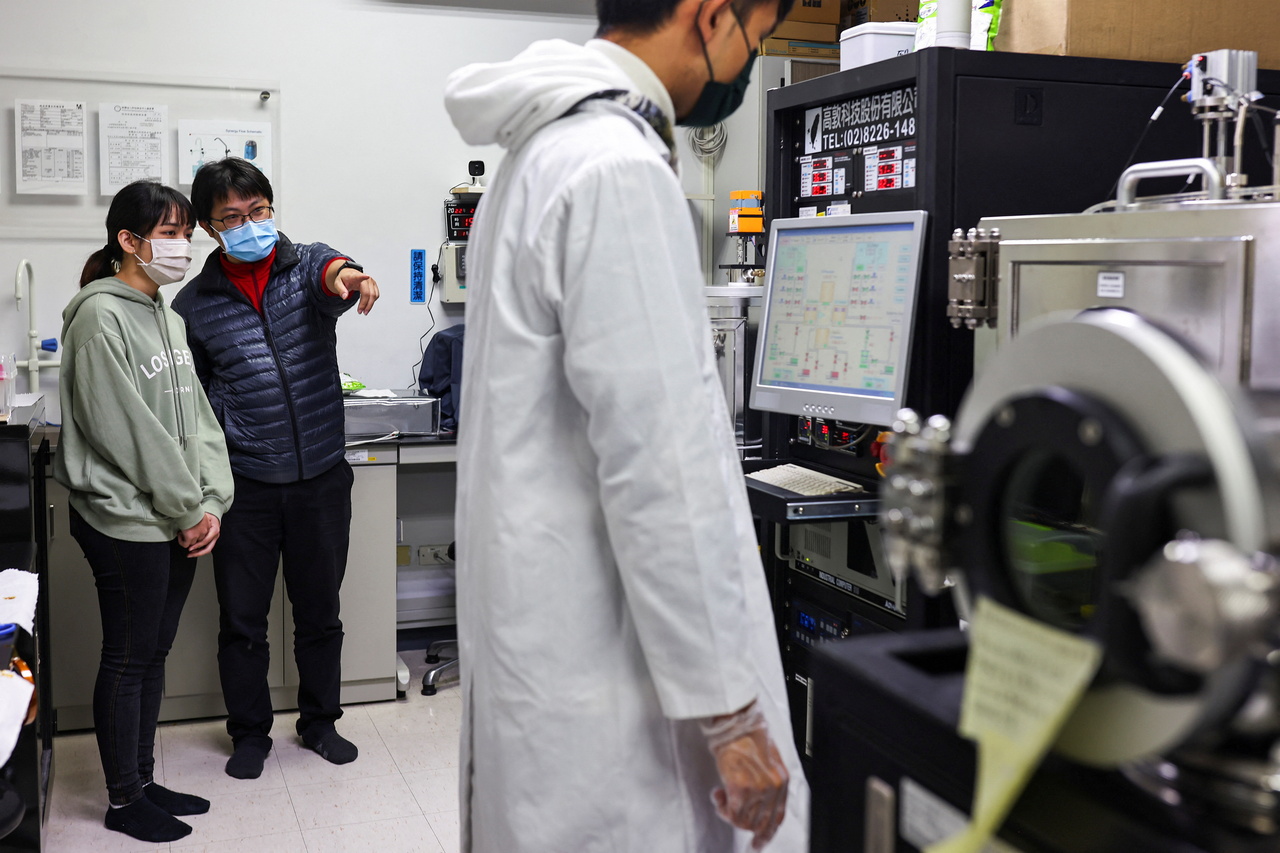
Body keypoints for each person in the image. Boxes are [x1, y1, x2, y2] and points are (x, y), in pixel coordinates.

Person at [443, 0, 806, 850]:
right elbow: (662, 465)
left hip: (554, 644)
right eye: (757, 38)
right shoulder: (615, 168)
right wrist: (731, 714)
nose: (749, 64)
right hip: (610, 680)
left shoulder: (541, 153)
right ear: (711, 17)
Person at [171, 158, 379, 780]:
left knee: (320, 613)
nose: (250, 224)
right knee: (242, 622)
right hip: (246, 488)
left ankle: (320, 723)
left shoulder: (305, 266)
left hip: (320, 477)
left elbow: (334, 273)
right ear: (210, 228)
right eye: (232, 217)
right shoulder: (194, 305)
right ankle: (249, 734)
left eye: (258, 211)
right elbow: (195, 403)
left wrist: (353, 276)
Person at [55, 180, 233, 843]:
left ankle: (143, 778)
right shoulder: (99, 317)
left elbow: (199, 421)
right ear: (129, 241)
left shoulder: (168, 315)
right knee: (129, 658)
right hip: (125, 518)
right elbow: (125, 431)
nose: (182, 245)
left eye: (186, 233)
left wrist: (210, 500)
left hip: (174, 515)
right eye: (168, 233)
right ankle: (123, 799)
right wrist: (188, 509)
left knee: (152, 654)